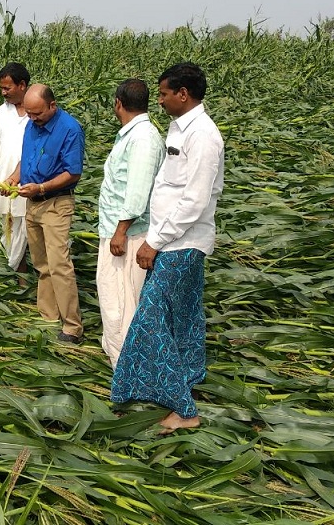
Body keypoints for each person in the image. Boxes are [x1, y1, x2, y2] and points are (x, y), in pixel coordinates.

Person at [110, 62, 224, 433]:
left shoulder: (203, 136)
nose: (158, 101)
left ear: (183, 94)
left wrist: (154, 242)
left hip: (181, 242)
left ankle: (184, 409)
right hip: (175, 241)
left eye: (162, 94)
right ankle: (187, 379)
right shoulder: (181, 129)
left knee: (151, 317)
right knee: (184, 317)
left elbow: (194, 200)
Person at [5, 84, 85, 343]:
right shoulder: (32, 125)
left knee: (59, 265)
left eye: (37, 113)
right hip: (33, 203)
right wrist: (14, 178)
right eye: (29, 114)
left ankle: (72, 327)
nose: (32, 118)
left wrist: (41, 187)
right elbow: (25, 158)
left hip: (55, 203)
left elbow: (73, 172)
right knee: (42, 264)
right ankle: (48, 315)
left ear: (52, 105)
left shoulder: (70, 129)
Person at [96, 79, 164, 368]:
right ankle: (121, 360)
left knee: (120, 303)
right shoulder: (135, 134)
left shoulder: (143, 139)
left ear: (118, 103)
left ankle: (126, 368)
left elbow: (137, 192)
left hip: (128, 234)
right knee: (115, 300)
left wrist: (120, 232)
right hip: (120, 230)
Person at [0, 62, 30, 275]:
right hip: (5, 184)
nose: (3, 93)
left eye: (7, 88)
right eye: (1, 88)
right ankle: (18, 279)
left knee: (30, 232)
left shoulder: (36, 111)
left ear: (22, 85)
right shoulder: (0, 114)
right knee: (10, 230)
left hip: (31, 184)